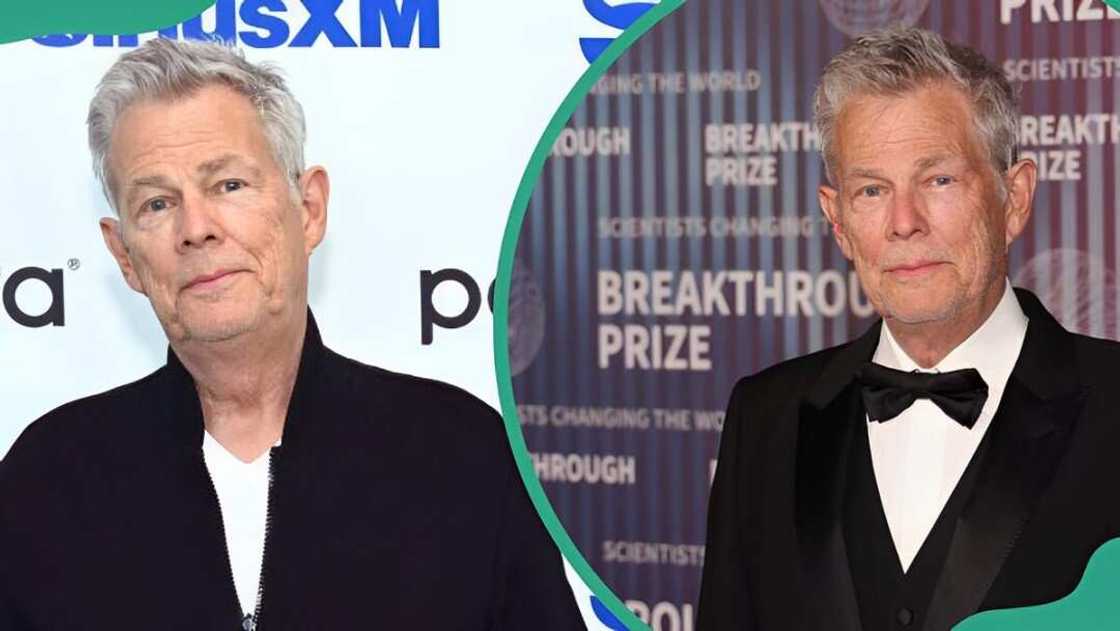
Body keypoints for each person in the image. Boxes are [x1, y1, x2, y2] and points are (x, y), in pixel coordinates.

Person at [0, 38, 584, 630]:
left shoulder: (464, 457)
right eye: (156, 203)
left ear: (308, 209)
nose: (196, 229)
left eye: (228, 185)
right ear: (124, 255)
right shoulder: (48, 481)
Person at [698, 26, 1120, 631]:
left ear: (1014, 198)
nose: (904, 222)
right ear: (838, 220)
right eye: (872, 190)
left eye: (938, 180)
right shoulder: (765, 416)